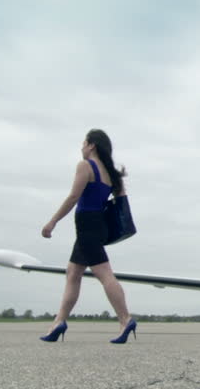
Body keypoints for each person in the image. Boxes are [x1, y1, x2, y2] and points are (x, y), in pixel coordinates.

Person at [39, 129, 136, 344]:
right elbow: (121, 203)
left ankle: (125, 319)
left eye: (83, 143)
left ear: (92, 145)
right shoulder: (111, 174)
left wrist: (52, 221)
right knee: (73, 273)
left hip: (87, 226)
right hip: (96, 226)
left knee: (104, 274)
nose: (81, 147)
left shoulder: (86, 166)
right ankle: (59, 322)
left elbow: (74, 196)